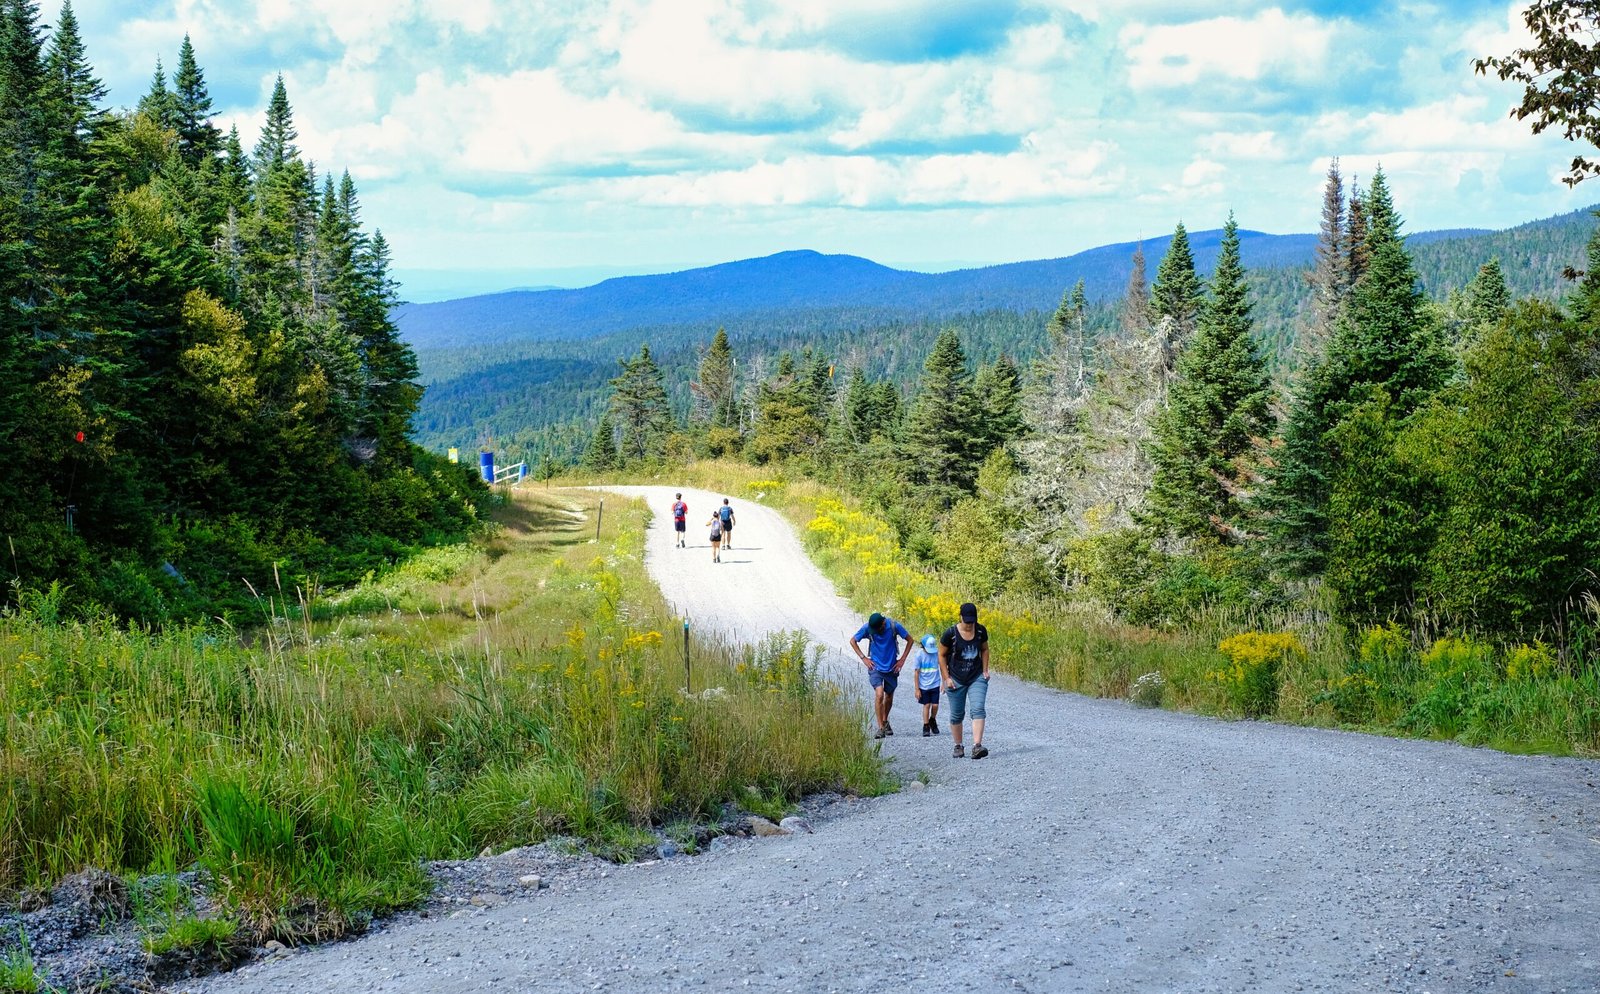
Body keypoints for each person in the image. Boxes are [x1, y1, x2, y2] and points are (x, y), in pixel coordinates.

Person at [939, 602, 990, 759]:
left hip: (976, 677)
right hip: (955, 678)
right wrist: (946, 678)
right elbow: (941, 655)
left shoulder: (981, 631)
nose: (969, 624)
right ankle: (958, 746)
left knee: (978, 709)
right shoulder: (950, 634)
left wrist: (985, 670)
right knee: (956, 714)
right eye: (966, 621)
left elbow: (985, 649)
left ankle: (977, 746)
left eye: (971, 621)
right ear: (960, 617)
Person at [849, 611, 912, 738]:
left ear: (883, 624)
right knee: (879, 694)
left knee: (888, 696)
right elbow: (853, 641)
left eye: (877, 629)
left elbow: (910, 640)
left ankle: (885, 720)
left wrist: (902, 659)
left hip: (891, 667)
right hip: (875, 667)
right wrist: (863, 658)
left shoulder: (894, 626)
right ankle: (881, 728)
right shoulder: (868, 628)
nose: (874, 632)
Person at [913, 634, 942, 737]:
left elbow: (942, 666)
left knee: (935, 705)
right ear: (923, 646)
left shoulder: (936, 653)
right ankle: (926, 726)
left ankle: (932, 720)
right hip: (924, 685)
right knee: (927, 705)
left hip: (935, 683)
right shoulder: (919, 655)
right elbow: (916, 672)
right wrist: (917, 689)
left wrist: (944, 682)